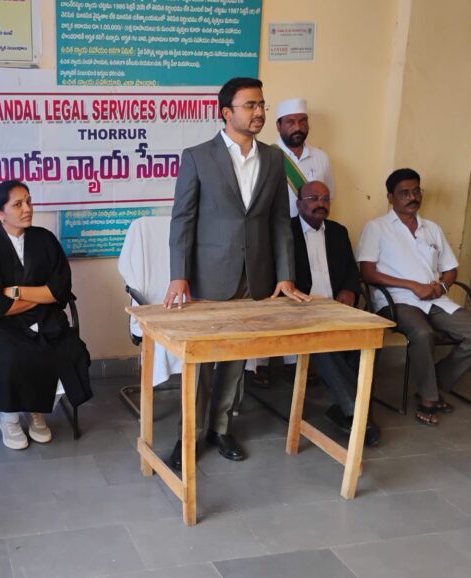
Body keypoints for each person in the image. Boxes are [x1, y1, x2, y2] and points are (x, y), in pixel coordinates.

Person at [164, 77, 309, 470]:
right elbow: (183, 219)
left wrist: (285, 275)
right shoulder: (198, 157)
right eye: (250, 105)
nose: (259, 112)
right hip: (208, 275)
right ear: (227, 112)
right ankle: (189, 436)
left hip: (255, 276)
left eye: (261, 104)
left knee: (235, 359)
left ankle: (221, 427)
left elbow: (279, 221)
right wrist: (179, 275)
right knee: (199, 363)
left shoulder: (274, 159)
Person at [0, 180, 92, 449]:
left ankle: (38, 410)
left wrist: (17, 292)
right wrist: (39, 297)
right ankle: (10, 417)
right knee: (13, 358)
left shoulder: (45, 240)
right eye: (17, 204)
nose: (27, 208)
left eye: (28, 201)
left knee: (71, 352)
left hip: (45, 320)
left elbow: (59, 290)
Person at [357, 168, 471, 426]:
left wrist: (442, 287)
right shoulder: (377, 228)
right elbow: (367, 272)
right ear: (391, 197)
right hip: (396, 300)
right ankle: (429, 399)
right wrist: (412, 285)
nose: (412, 197)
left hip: (435, 299)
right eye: (404, 193)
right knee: (422, 333)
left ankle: (435, 382)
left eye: (416, 191)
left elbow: (450, 269)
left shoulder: (432, 228)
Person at [246, 98, 335, 383]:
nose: (298, 127)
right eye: (291, 122)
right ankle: (259, 363)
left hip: (305, 235)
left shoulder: (320, 158)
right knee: (266, 298)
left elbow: (328, 194)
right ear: (279, 126)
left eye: (302, 121)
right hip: (269, 235)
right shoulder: (265, 155)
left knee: (299, 294)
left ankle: (296, 361)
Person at [292, 180, 380, 446]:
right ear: (299, 204)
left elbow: (352, 271)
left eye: (325, 199)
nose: (321, 204)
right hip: (301, 308)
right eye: (313, 199)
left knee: (367, 340)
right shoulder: (285, 231)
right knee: (324, 343)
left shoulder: (338, 232)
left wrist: (350, 290)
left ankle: (344, 407)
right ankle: (357, 413)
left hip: (337, 307)